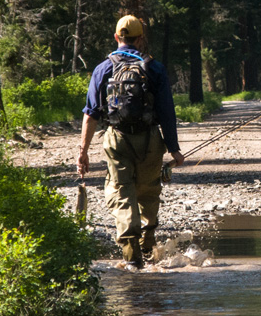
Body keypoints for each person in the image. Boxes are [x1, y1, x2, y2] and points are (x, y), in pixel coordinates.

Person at [76, 15, 185, 268]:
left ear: (116, 38)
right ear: (140, 39)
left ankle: (132, 259)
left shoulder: (103, 69)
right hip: (150, 140)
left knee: (123, 194)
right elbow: (167, 112)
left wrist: (83, 152)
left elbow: (91, 113)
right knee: (148, 191)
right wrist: (174, 148)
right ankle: (148, 244)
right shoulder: (154, 68)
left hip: (116, 140)